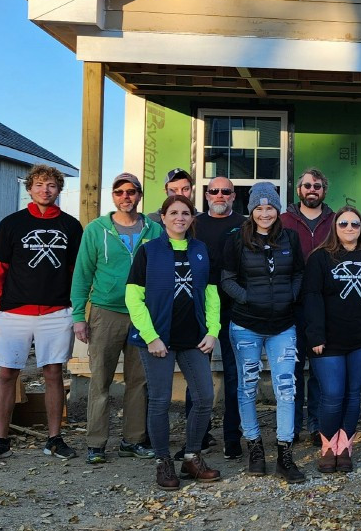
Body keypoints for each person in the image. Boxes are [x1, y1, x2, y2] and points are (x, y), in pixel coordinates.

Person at [0, 165, 84, 465]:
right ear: (30, 189)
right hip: (12, 312)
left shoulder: (73, 227)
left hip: (56, 312)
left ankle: (54, 439)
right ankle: (0, 439)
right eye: (39, 184)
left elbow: (77, 272)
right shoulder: (11, 224)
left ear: (59, 189)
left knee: (53, 373)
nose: (45, 190)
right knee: (8, 373)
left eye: (51, 185)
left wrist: (76, 309)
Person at [125, 194, 222, 490]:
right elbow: (133, 296)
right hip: (158, 340)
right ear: (163, 217)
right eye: (174, 213)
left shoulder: (201, 250)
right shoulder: (149, 251)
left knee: (205, 397)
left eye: (186, 213)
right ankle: (163, 461)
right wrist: (151, 337)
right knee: (160, 400)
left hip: (193, 338)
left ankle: (191, 456)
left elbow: (211, 293)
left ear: (192, 218)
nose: (180, 217)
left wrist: (212, 330)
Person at [70, 172, 162, 464]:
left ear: (139, 195)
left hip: (143, 314)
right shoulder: (97, 230)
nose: (126, 196)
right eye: (120, 191)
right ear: (113, 196)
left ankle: (133, 440)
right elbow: (82, 274)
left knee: (139, 380)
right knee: (101, 379)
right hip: (106, 311)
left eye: (131, 191)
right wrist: (78, 315)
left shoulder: (154, 230)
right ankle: (96, 443)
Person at [299, 205, 361, 473]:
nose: (349, 229)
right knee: (331, 395)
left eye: (355, 224)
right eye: (344, 224)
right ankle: (328, 445)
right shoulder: (320, 259)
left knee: (353, 395)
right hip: (327, 341)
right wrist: (315, 334)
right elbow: (312, 298)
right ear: (335, 228)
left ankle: (346, 447)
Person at [221, 182, 306, 484]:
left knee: (286, 389)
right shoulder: (236, 241)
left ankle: (285, 454)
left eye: (270, 207)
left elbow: (298, 273)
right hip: (246, 325)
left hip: (283, 326)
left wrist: (289, 297)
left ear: (277, 209)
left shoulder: (291, 238)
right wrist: (248, 298)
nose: (265, 212)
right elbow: (227, 280)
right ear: (252, 210)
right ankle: (255, 448)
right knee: (247, 388)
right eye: (259, 207)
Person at [191, 176, 243, 458]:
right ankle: (196, 438)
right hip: (199, 311)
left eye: (225, 191)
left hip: (235, 309)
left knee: (235, 377)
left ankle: (232, 439)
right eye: (214, 191)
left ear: (234, 196)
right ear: (207, 195)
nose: (220, 195)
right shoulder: (194, 223)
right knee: (198, 376)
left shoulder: (245, 224)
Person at [283, 168, 333, 440]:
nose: (311, 189)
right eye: (307, 185)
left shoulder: (336, 221)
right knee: (291, 369)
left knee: (319, 368)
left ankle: (316, 423)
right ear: (299, 190)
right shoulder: (284, 220)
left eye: (317, 185)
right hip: (291, 306)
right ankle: (292, 425)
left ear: (324, 190)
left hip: (325, 307)